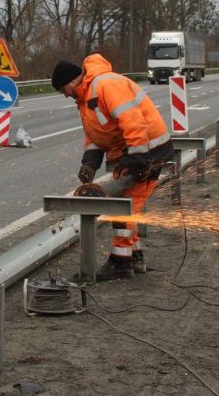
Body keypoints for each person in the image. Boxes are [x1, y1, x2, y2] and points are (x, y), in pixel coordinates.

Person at [51, 54, 174, 281]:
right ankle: (135, 257)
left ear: (70, 81)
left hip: (147, 152)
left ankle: (120, 262)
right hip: (133, 153)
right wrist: (90, 163)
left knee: (123, 208)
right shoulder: (86, 97)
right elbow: (96, 134)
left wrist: (137, 159)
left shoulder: (107, 84)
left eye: (62, 90)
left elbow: (133, 122)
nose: (64, 95)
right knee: (127, 207)